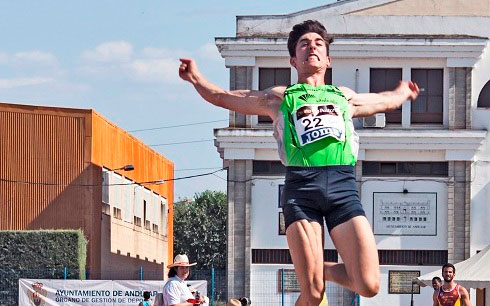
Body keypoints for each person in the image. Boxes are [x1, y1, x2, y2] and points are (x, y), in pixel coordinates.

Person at [179, 19, 419, 306]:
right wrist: (196, 78)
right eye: (304, 44)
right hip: (302, 191)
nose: (312, 48)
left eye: (318, 44)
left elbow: (383, 101)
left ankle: (318, 270)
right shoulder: (280, 98)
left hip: (343, 189)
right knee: (314, 294)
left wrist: (404, 92)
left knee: (368, 285)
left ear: (328, 60)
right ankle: (313, 276)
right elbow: (225, 97)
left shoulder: (343, 97)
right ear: (294, 59)